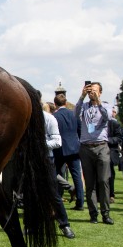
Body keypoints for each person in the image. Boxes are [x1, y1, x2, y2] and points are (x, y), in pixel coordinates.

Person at [75, 82, 114, 225]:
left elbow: (107, 117)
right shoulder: (84, 106)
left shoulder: (106, 105)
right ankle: (93, 214)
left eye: (95, 91)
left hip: (101, 146)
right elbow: (75, 113)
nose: (92, 93)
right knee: (90, 183)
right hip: (86, 147)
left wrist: (97, 101)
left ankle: (106, 213)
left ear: (100, 93)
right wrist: (82, 96)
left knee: (103, 181)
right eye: (91, 91)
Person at [43, 101, 75, 239]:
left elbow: (57, 141)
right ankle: (32, 226)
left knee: (53, 194)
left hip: (46, 159)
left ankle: (64, 225)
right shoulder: (25, 119)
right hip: (30, 160)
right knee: (32, 194)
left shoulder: (49, 118)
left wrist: (38, 145)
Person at [52, 93, 85, 210]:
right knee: (77, 177)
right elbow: (80, 130)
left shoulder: (54, 116)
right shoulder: (74, 115)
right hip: (74, 149)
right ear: (65, 103)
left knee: (56, 174)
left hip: (60, 149)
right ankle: (80, 202)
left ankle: (58, 198)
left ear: (55, 104)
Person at [106, 107, 123, 203]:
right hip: (97, 151)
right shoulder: (95, 124)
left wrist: (106, 140)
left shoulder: (114, 124)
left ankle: (110, 194)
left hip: (110, 151)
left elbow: (119, 138)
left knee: (110, 174)